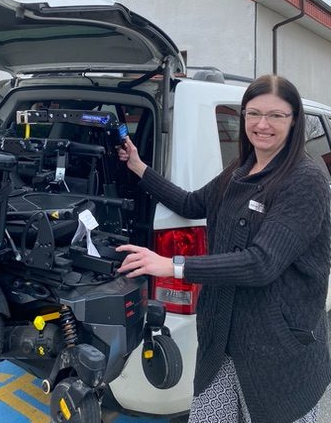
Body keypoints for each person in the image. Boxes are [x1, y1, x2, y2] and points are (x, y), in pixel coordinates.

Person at [116, 74, 331, 423]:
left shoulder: (305, 179)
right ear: (243, 115)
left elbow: (262, 263)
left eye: (276, 115)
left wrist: (173, 266)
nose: (263, 124)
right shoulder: (241, 169)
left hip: (274, 345)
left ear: (295, 121)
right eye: (253, 113)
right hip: (222, 338)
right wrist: (139, 167)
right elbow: (190, 203)